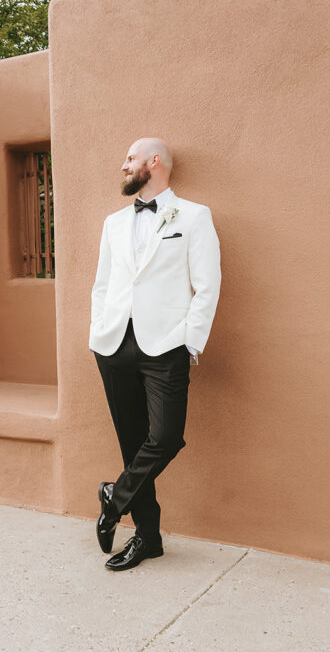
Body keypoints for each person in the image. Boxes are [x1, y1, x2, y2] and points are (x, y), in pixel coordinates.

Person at [90, 138, 221, 570]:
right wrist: (97, 331)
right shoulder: (113, 223)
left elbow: (208, 285)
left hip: (165, 346)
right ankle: (148, 539)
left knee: (165, 437)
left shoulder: (194, 216)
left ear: (154, 161)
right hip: (113, 345)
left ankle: (114, 498)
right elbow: (103, 285)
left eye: (130, 158)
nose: (123, 165)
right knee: (133, 446)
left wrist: (189, 341)